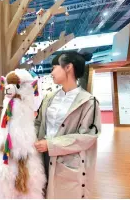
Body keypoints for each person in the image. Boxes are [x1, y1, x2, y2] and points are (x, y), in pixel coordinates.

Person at [34, 51, 101, 199]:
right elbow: (38, 123)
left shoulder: (89, 102)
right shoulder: (49, 98)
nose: (51, 72)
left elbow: (87, 137)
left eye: (54, 67)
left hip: (69, 164)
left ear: (68, 67)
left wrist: (51, 145)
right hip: (42, 158)